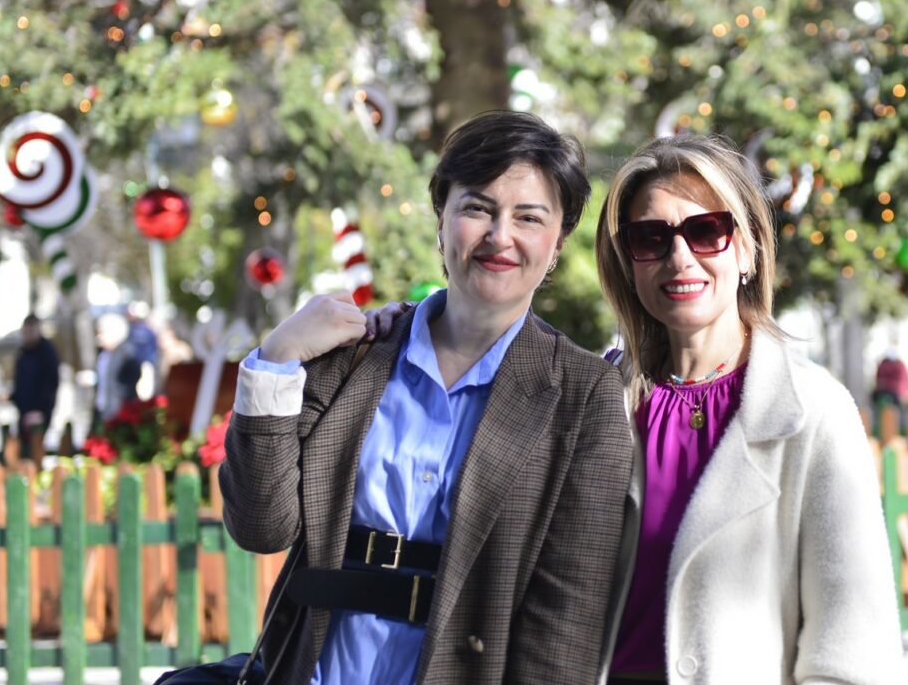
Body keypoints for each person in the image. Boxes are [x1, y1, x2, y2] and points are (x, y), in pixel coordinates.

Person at [219, 111, 633, 685]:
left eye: (529, 217)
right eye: (477, 208)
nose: (500, 236)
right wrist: (278, 356)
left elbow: (565, 621)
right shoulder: (353, 356)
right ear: (442, 218)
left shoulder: (583, 395)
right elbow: (260, 527)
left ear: (558, 242)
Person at [595, 134, 901, 684]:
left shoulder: (814, 412)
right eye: (651, 238)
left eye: (706, 231)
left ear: (747, 249)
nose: (679, 257)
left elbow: (852, 649)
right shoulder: (598, 401)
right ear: (628, 264)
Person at [11, 314, 60, 462]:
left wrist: (41, 410)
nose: (28, 334)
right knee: (23, 453)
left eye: (31, 330)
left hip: (39, 411)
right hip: (24, 410)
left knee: (36, 452)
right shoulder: (23, 352)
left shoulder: (47, 352)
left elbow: (50, 384)